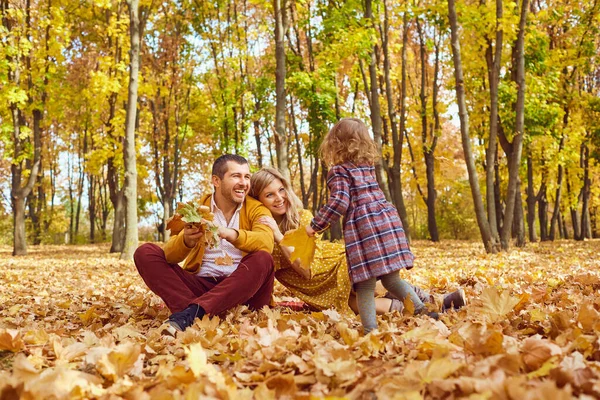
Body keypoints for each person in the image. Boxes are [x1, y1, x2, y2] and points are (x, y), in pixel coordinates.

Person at [248, 167, 466, 320]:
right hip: (318, 290)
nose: (279, 198)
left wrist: (279, 235)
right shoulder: (262, 236)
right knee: (359, 308)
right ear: (258, 201)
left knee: (374, 288)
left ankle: (437, 300)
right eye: (270, 195)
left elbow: (307, 269)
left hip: (335, 266)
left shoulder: (302, 218)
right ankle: (428, 306)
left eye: (281, 190)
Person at [305, 118, 439, 334]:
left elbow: (340, 202)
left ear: (335, 144)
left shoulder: (338, 171)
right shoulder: (367, 167)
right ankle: (420, 309)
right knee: (392, 279)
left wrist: (316, 225)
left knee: (364, 285)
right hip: (386, 222)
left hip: (365, 230)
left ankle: (370, 330)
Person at [134, 154, 275, 334]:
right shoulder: (195, 209)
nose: (244, 183)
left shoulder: (257, 208)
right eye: (236, 176)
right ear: (216, 180)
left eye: (247, 177)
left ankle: (192, 313)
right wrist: (186, 240)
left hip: (244, 289)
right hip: (201, 285)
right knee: (145, 252)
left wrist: (227, 233)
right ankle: (196, 311)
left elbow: (266, 242)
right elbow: (168, 255)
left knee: (264, 258)